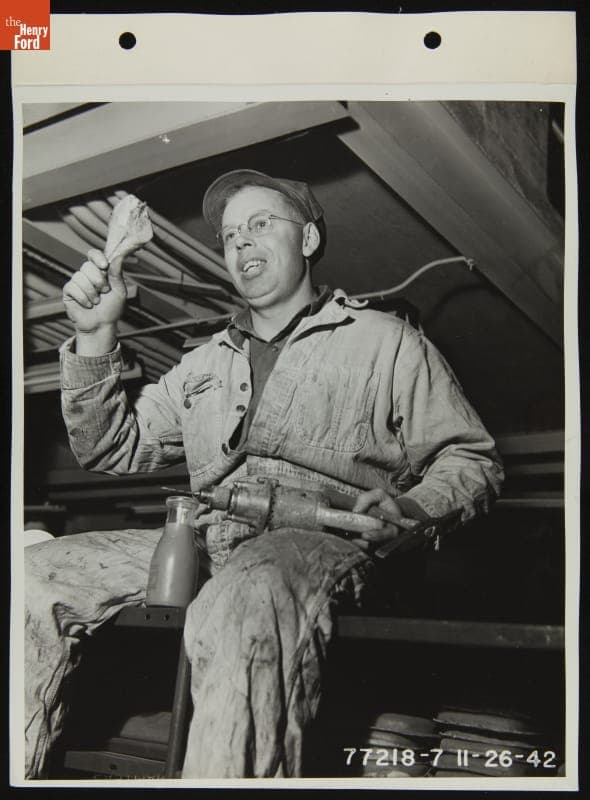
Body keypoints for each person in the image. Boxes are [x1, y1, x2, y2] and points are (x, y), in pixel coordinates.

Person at [24, 170, 504, 779]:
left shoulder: (387, 343)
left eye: (259, 224)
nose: (241, 242)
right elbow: (110, 447)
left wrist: (411, 511)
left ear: (307, 239)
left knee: (249, 596)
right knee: (30, 576)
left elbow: (471, 458)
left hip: (321, 539)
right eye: (230, 235)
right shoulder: (202, 362)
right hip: (205, 540)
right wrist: (94, 336)